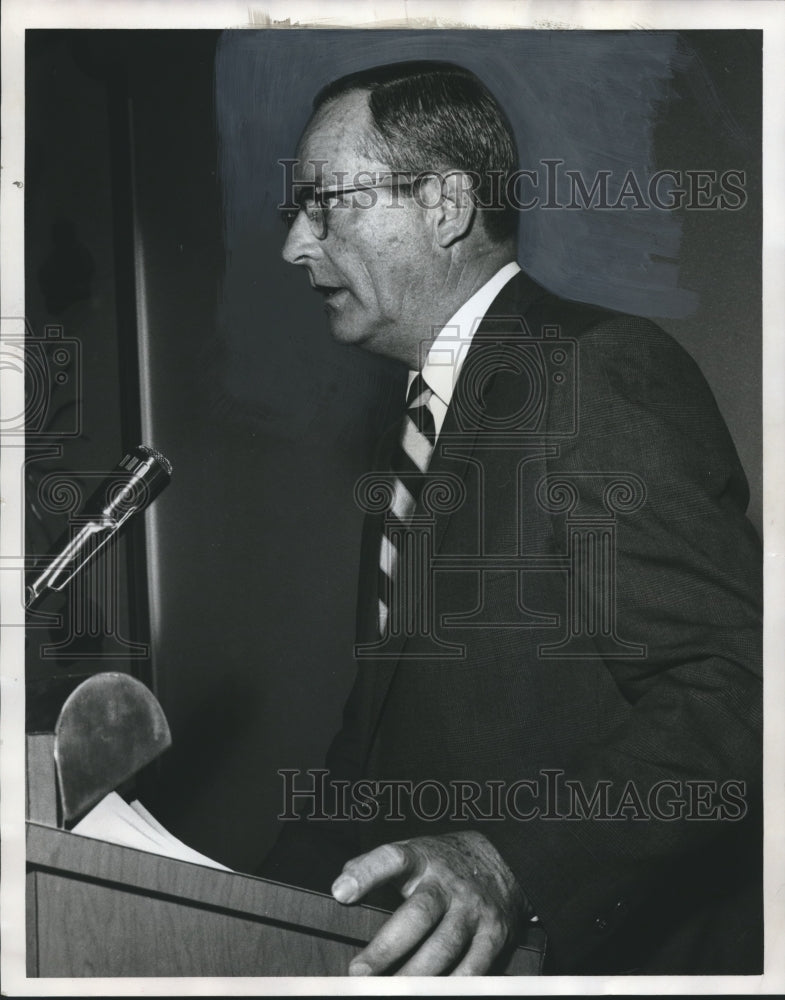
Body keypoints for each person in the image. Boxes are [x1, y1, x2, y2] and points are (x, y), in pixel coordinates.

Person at [261, 61, 762, 976]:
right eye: (293, 210)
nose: (296, 245)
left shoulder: (596, 373)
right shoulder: (413, 426)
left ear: (447, 205)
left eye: (326, 203)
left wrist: (510, 862)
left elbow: (737, 692)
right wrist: (245, 915)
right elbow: (370, 750)